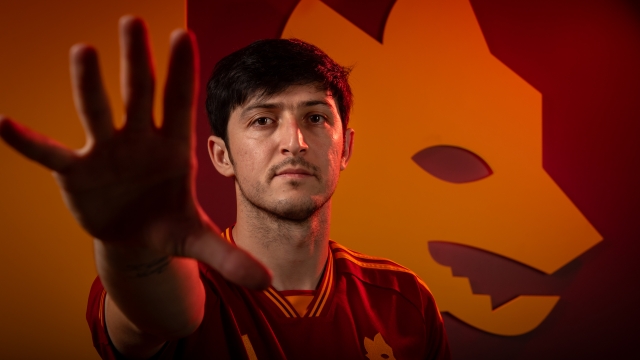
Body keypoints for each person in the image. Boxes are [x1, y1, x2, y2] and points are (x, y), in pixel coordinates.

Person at [0, 16, 450, 359]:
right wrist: (134, 246)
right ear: (221, 155)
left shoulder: (406, 300)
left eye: (315, 117)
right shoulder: (185, 279)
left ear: (345, 148)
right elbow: (158, 315)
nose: (293, 142)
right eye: (262, 120)